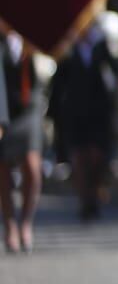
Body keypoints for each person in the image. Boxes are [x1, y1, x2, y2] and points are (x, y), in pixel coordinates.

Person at [48, 20, 118, 220]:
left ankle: (94, 194)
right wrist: (54, 112)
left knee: (96, 157)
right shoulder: (68, 50)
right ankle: (84, 200)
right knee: (78, 157)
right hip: (75, 112)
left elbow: (115, 70)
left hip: (98, 112)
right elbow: (58, 82)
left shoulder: (101, 46)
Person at [1, 33, 42, 254]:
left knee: (32, 166)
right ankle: (9, 226)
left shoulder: (32, 36)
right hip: (3, 108)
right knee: (3, 168)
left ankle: (26, 222)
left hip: (29, 109)